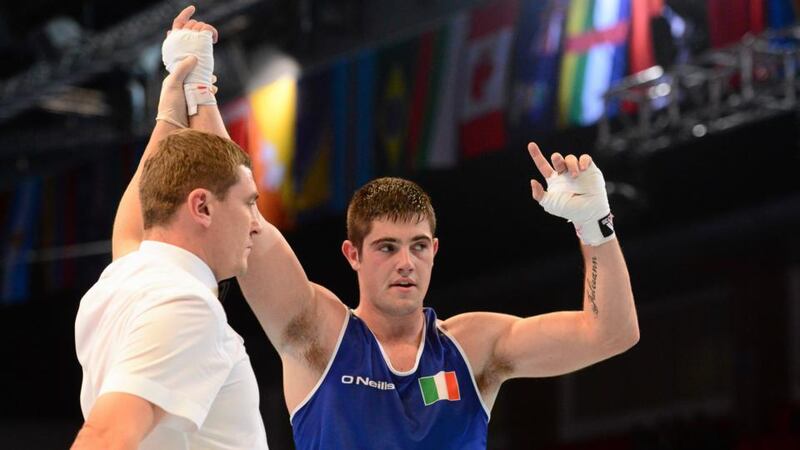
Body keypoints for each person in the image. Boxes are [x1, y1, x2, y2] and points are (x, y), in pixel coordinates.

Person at [118, 7, 640, 449]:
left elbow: (610, 334)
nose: (406, 263)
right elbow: (245, 220)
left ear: (435, 251)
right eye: (387, 247)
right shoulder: (319, 334)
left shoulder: (474, 347)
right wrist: (201, 91)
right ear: (353, 254)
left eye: (418, 246)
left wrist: (594, 225)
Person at [71, 7, 269, 450]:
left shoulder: (122, 279)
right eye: (249, 205)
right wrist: (192, 93)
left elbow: (134, 228)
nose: (257, 225)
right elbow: (103, 438)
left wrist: (174, 110)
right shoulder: (186, 304)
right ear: (202, 207)